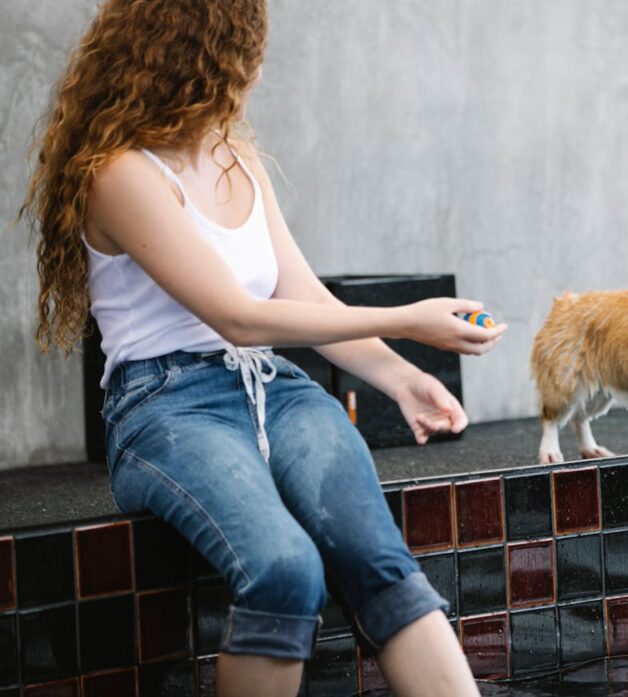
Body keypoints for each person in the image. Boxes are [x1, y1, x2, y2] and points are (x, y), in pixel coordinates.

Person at [21, 1, 506, 695]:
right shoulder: (120, 173)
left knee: (378, 558)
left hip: (273, 389)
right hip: (168, 407)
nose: (251, 78)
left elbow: (302, 293)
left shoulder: (235, 157)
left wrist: (399, 376)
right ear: (207, 60)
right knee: (284, 568)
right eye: (245, 60)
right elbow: (240, 317)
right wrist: (409, 317)